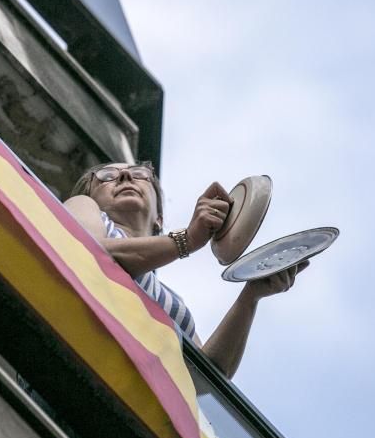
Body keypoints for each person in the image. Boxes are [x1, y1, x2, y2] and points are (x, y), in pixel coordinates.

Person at [64, 161, 307, 378]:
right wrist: (187, 239)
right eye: (106, 176)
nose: (125, 177)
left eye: (138, 174)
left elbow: (208, 376)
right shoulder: (83, 206)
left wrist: (251, 295)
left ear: (159, 218)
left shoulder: (173, 304)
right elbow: (87, 252)